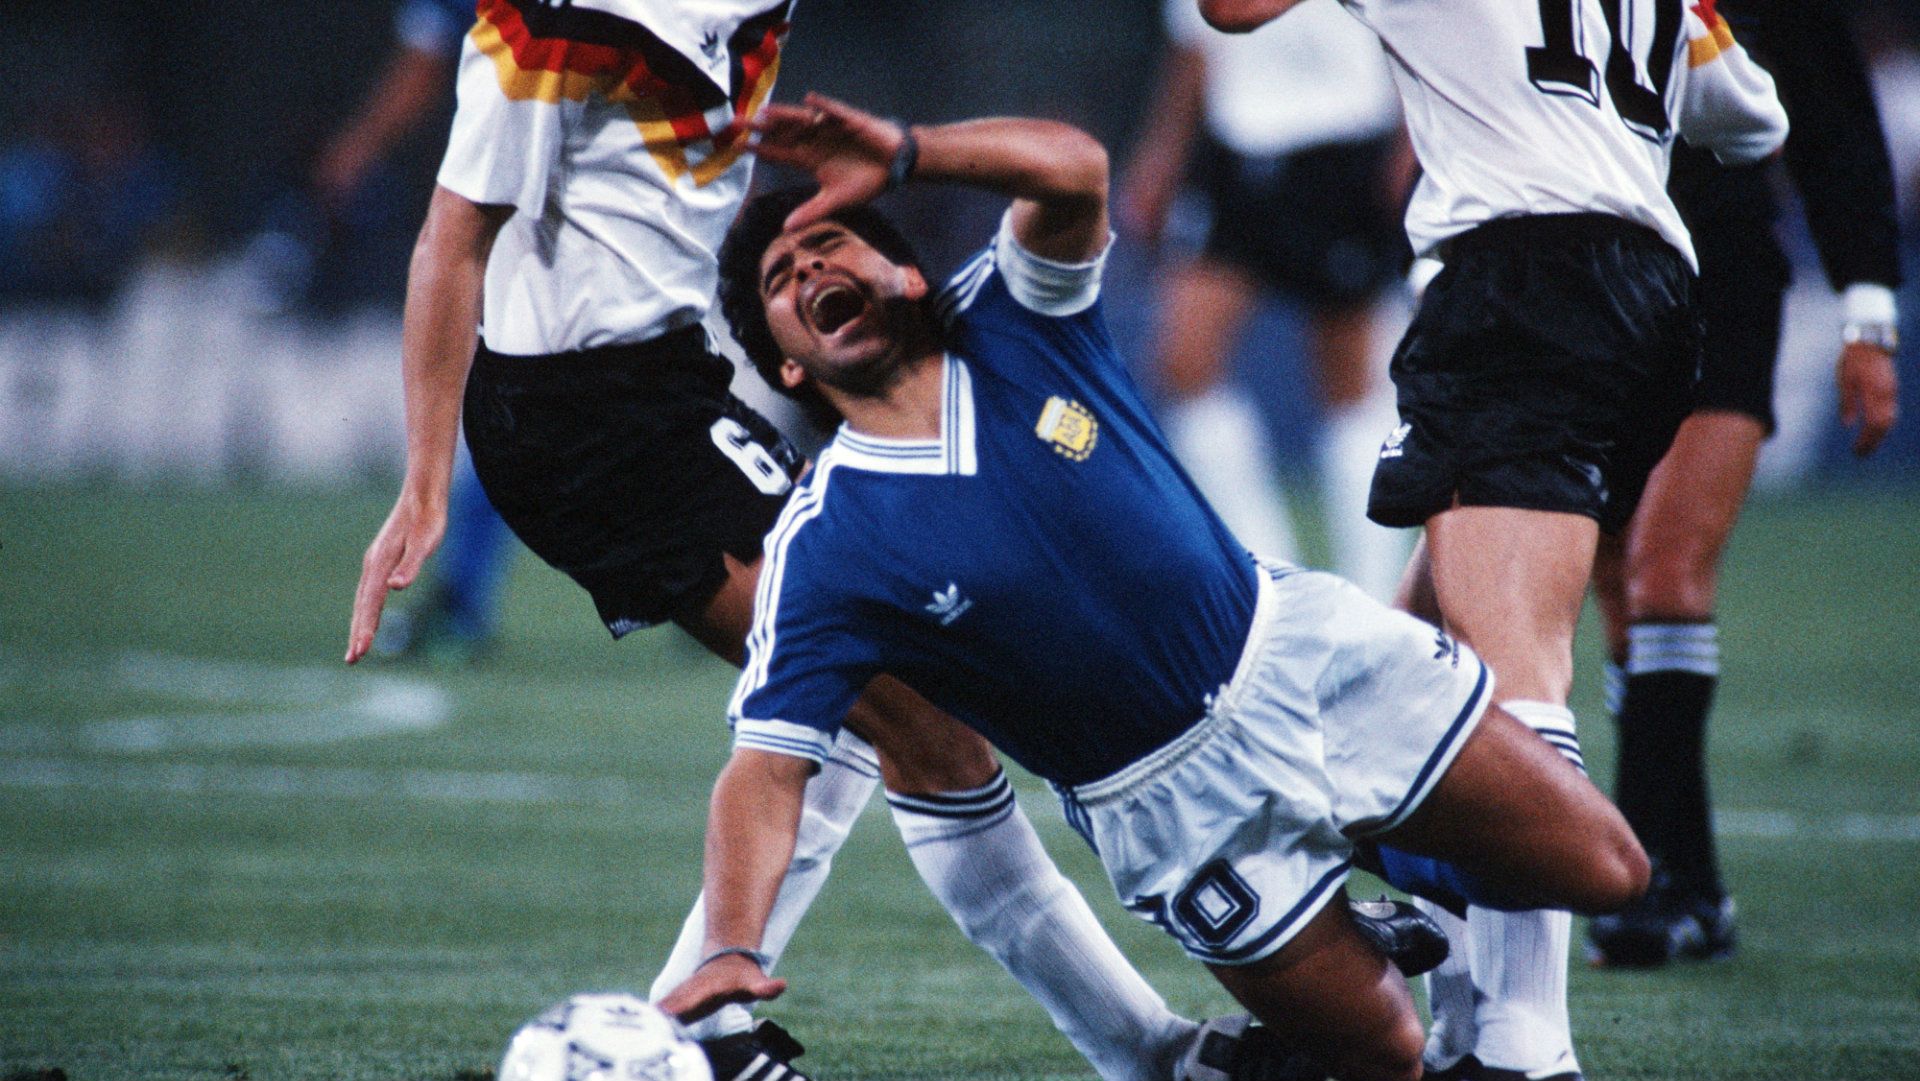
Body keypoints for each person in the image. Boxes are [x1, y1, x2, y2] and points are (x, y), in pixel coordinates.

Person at [654, 91, 1651, 1081]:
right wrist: (732, 945)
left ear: (905, 273)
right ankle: (1374, 915)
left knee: (1611, 870)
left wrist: (913, 149)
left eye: (830, 242)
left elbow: (1074, 165)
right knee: (1386, 1053)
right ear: (785, 366)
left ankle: (1408, 859)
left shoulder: (1011, 314)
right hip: (1171, 811)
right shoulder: (824, 546)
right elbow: (766, 769)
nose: (814, 267)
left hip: (1302, 660)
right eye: (786, 277)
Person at [341, 4, 1252, 1081]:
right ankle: (1142, 1048)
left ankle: (720, 1027)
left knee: (919, 711)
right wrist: (426, 482)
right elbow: (454, 238)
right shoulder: (550, 24)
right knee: (907, 715)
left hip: (681, 375)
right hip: (588, 420)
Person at [1198, 0, 1788, 1078]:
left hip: (1522, 277)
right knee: (1397, 686)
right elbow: (1752, 118)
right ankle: (1465, 1018)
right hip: (1654, 297)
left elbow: (1227, 11)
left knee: (1509, 669)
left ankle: (1525, 1044)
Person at [1585, 0, 1902, 967]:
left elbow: (1835, 124)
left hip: (1721, 275)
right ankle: (1696, 882)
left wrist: (1869, 317)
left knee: (1666, 570)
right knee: (1616, 592)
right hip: (1587, 271)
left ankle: (1638, 887)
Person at [1119, 0, 1413, 599]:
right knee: (1182, 362)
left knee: (1350, 381)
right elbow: (1195, 35)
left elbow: (1418, 25)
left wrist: (1415, 140)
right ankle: (1277, 582)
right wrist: (1162, 155)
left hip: (1347, 138)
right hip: (1236, 145)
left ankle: (1375, 598)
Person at [317, 0, 523, 663]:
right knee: (530, 400)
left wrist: (358, 146)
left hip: (534, 200)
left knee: (524, 399)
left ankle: (733, 572)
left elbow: (424, 63)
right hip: (576, 200)